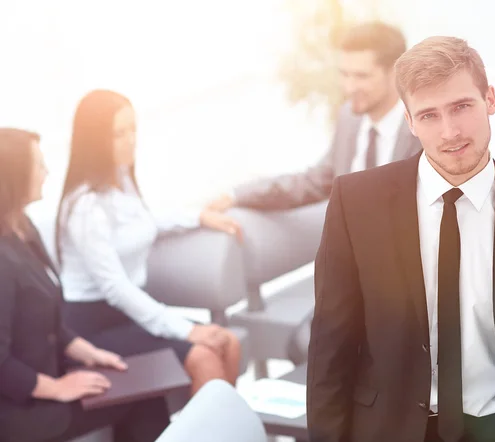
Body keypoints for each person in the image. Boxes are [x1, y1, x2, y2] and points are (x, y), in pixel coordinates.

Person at [306, 36, 495, 442]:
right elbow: (329, 352)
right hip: (386, 430)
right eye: (429, 115)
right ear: (410, 122)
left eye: (462, 106)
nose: (450, 132)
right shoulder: (355, 203)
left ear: (490, 100)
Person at [55, 90, 241, 395]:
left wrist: (199, 217)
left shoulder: (121, 179)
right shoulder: (85, 206)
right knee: (204, 356)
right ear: (95, 141)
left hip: (128, 313)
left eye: (133, 130)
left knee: (228, 343)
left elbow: (144, 220)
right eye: (118, 134)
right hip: (94, 327)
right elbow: (115, 288)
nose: (130, 140)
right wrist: (187, 330)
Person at [0, 128, 170, 442]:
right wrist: (57, 388)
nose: (46, 172)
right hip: (20, 410)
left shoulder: (23, 228)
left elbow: (46, 322)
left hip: (49, 377)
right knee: (143, 401)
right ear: (13, 176)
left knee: (142, 384)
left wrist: (90, 352)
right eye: (38, 165)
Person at [203, 21, 422, 227]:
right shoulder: (350, 119)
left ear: (396, 72)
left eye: (361, 76)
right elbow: (312, 182)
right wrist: (235, 196)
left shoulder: (424, 128)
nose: (348, 87)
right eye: (344, 75)